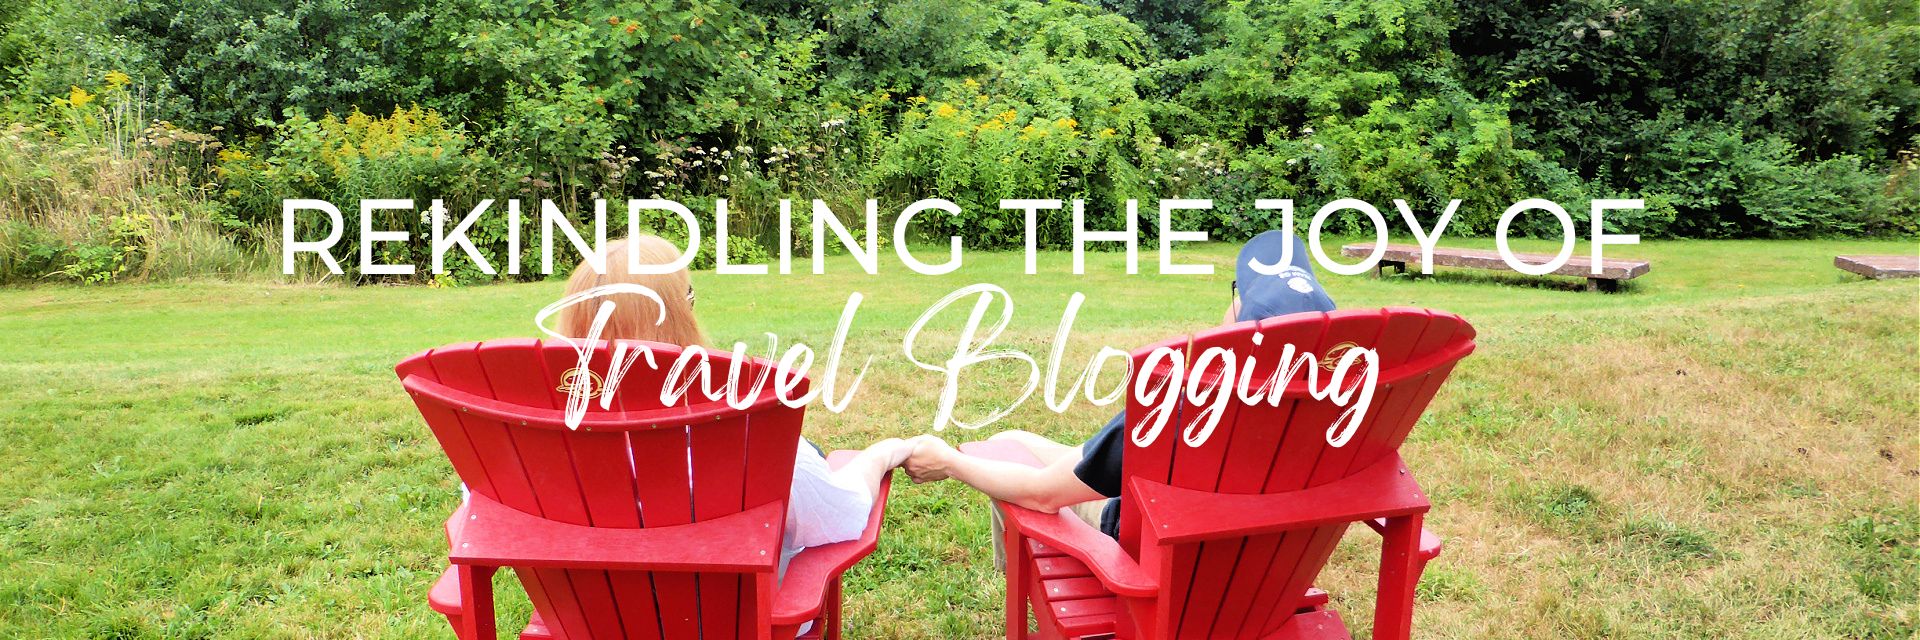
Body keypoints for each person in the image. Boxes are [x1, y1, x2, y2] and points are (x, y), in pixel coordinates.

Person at [900, 231, 1338, 566]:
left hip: (1151, 557)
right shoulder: (1344, 407)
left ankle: (1025, 586)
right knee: (1012, 439)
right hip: (1261, 564)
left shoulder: (1179, 405)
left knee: (1010, 469)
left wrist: (950, 463)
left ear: (1241, 321)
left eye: (1236, 294)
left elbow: (1040, 496)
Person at [555, 235, 914, 579]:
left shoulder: (541, 448)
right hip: (734, 618)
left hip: (600, 619)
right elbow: (840, 516)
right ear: (678, 319)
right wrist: (882, 454)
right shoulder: (744, 432)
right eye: (688, 298)